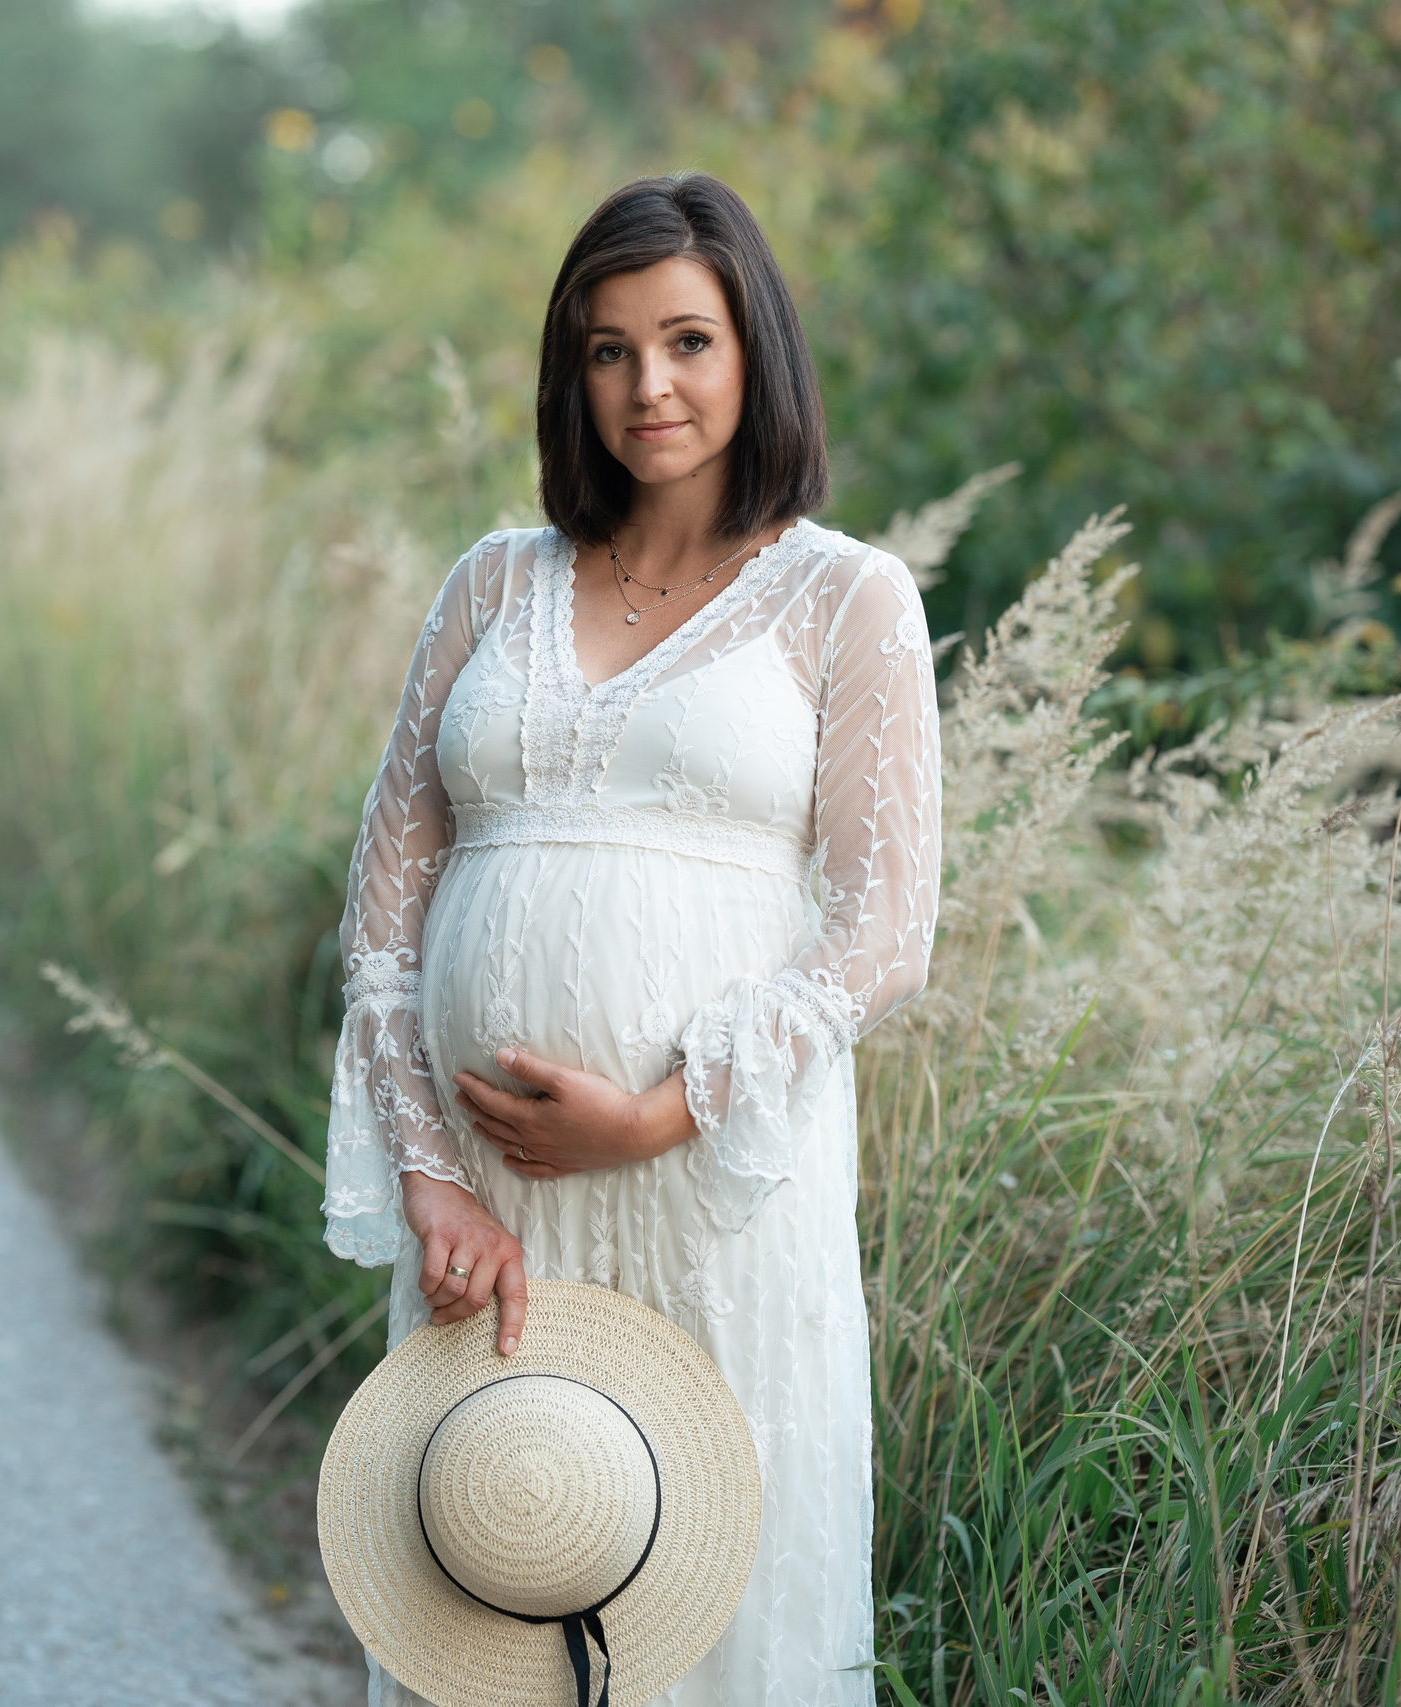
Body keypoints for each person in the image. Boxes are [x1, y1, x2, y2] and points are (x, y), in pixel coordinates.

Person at [323, 172, 941, 1706]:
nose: (648, 385)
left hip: (709, 1192)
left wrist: (657, 1112)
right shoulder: (491, 584)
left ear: (756, 356)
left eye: (687, 341)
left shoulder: (844, 598)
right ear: (568, 373)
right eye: (607, 350)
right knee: (501, 1566)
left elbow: (881, 928)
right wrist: (428, 1178)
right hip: (492, 1213)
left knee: (708, 1598)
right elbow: (386, 902)